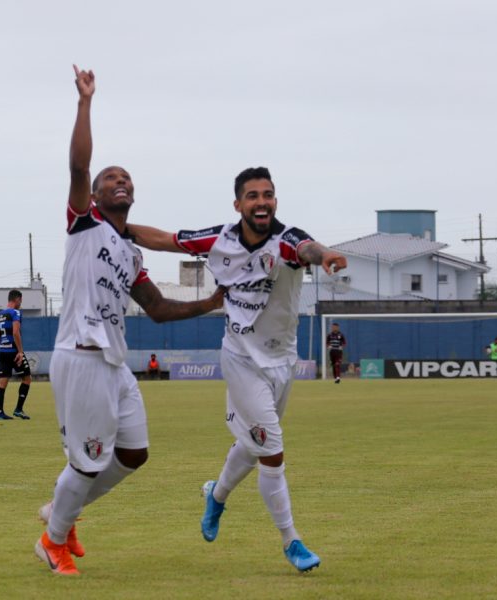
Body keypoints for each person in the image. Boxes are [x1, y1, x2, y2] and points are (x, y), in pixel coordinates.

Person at [34, 65, 225, 576]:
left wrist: (210, 303)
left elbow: (159, 309)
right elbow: (77, 168)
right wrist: (85, 104)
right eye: (111, 178)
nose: (122, 182)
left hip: (115, 363)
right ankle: (52, 542)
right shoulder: (85, 223)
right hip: (81, 355)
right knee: (87, 462)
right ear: (94, 195)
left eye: (128, 179)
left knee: (134, 454)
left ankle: (62, 513)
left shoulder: (129, 252)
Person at [128, 166, 347, 573]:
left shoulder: (286, 240)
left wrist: (327, 255)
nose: (261, 202)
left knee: (252, 446)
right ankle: (292, 542)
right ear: (238, 204)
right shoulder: (219, 240)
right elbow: (166, 240)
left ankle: (217, 496)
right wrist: (115, 224)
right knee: (272, 451)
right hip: (241, 360)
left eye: (268, 194)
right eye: (253, 195)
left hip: (282, 362)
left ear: (275, 201)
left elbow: (308, 249)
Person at [0, 289, 32, 420]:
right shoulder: (15, 312)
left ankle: (0, 413)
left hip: (3, 352)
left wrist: (4, 345)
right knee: (27, 379)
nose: (20, 303)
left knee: (2, 383)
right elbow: (16, 332)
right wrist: (20, 352)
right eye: (20, 300)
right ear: (17, 299)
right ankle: (18, 409)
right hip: (14, 353)